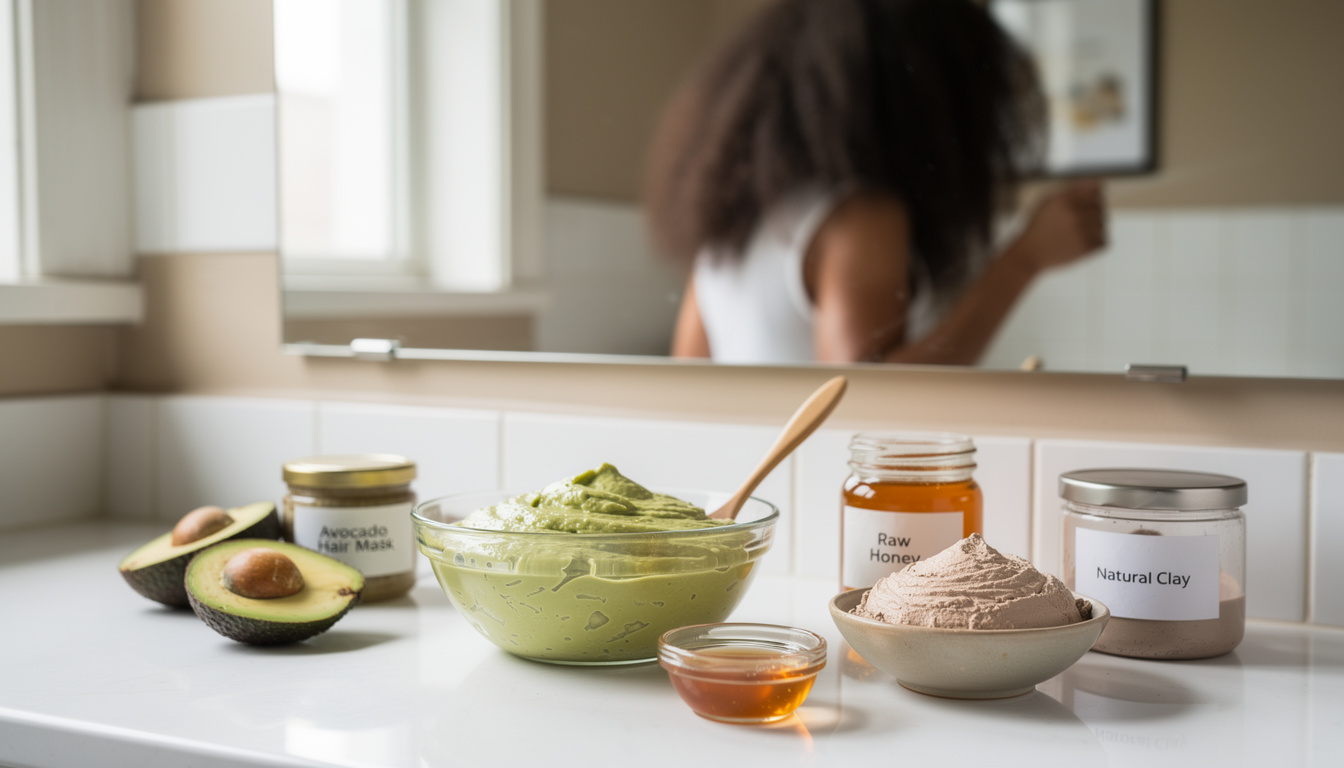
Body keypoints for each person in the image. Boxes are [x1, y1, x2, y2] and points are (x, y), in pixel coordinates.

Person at [643, 0, 1107, 365]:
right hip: (822, 484)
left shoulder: (736, 213)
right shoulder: (860, 213)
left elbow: (690, 369)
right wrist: (1022, 260)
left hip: (746, 483)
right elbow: (869, 399)